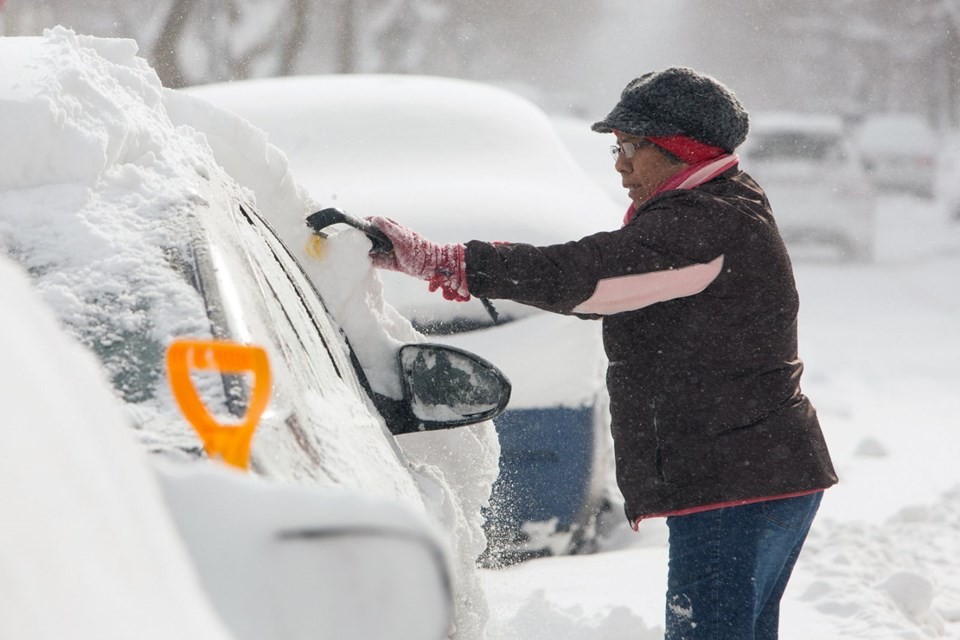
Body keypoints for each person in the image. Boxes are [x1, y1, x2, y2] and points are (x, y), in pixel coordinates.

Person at [364, 67, 838, 639]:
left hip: (736, 482)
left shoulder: (707, 223)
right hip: (759, 471)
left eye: (630, 147)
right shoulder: (723, 201)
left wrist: (448, 261)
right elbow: (604, 279)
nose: (619, 164)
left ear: (678, 149)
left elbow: (586, 276)